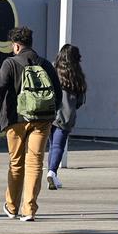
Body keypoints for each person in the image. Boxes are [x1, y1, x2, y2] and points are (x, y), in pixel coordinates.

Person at [0, 26, 62, 222]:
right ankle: (29, 210)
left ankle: (11, 206)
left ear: (16, 46)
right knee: (35, 164)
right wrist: (50, 114)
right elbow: (58, 93)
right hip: (42, 120)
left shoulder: (10, 63)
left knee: (16, 164)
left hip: (14, 119)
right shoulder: (44, 64)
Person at [46, 44, 87, 190]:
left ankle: (51, 173)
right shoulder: (77, 74)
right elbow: (81, 100)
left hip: (48, 112)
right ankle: (52, 173)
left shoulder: (51, 68)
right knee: (58, 145)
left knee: (52, 145)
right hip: (66, 115)